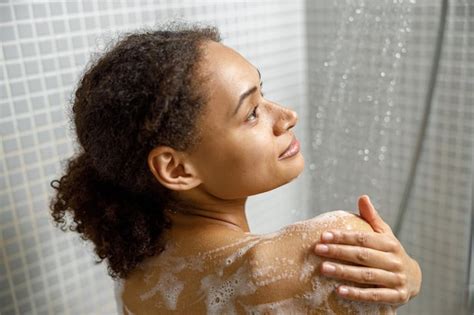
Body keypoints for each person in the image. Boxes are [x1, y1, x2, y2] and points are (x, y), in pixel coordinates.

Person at [49, 22, 421, 314]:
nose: (287, 116)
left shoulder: (136, 277)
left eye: (263, 92)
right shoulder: (323, 252)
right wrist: (411, 275)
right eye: (252, 112)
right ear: (177, 169)